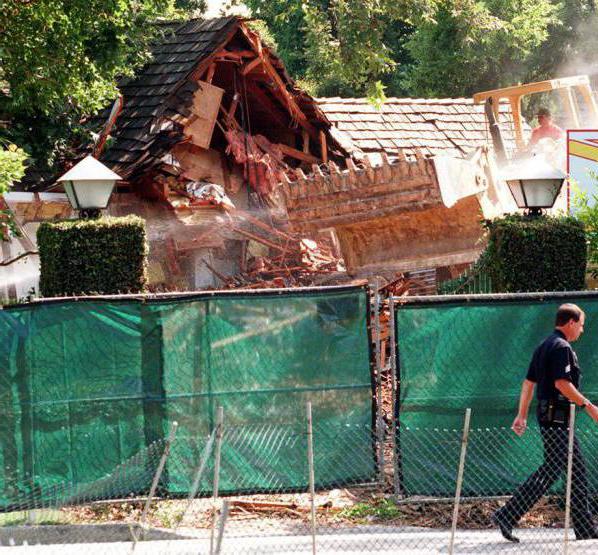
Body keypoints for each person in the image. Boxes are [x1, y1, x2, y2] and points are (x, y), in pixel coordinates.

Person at [492, 303, 598, 543]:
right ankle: (507, 514)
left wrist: (521, 415)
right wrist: (589, 407)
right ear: (570, 323)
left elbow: (529, 383)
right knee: (558, 469)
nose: (581, 330)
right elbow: (562, 384)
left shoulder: (544, 345)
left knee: (573, 471)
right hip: (556, 417)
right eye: (581, 325)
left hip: (549, 416)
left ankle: (584, 528)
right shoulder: (561, 347)